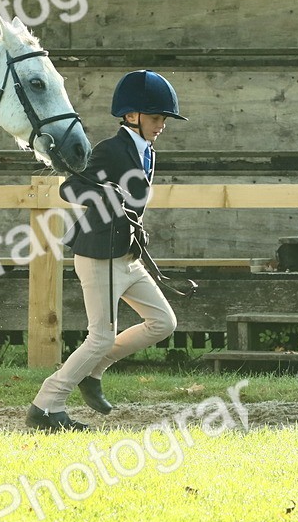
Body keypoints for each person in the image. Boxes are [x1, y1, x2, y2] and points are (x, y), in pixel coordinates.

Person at [27, 70, 184, 432]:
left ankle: (92, 371)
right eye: (157, 118)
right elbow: (70, 190)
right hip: (99, 255)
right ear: (132, 116)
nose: (162, 125)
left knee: (163, 323)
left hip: (127, 256)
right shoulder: (111, 149)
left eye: (163, 119)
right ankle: (45, 406)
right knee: (99, 336)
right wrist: (103, 193)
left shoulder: (146, 151)